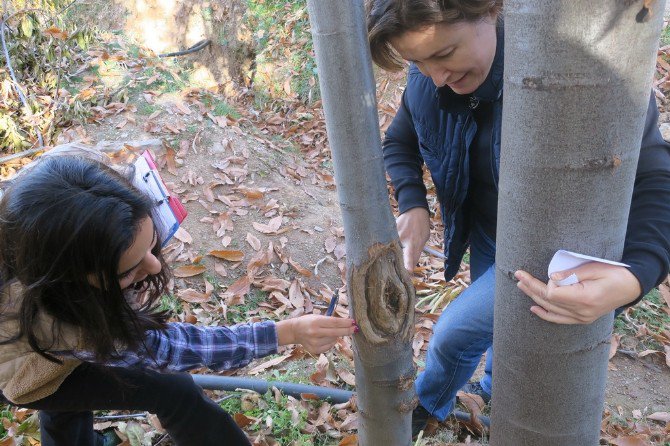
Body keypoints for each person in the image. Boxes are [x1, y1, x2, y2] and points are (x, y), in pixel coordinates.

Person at [365, 0, 670, 437]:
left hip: (550, 259)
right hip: (487, 235)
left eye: (445, 54)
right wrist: (414, 205)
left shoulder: (580, 74)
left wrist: (640, 273)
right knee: (499, 334)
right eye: (418, 61)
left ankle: (426, 406)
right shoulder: (428, 82)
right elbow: (399, 141)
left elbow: (655, 174)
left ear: (490, 10)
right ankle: (494, 390)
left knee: (453, 335)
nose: (436, 78)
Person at [0, 153, 357, 446]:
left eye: (150, 242)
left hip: (42, 350)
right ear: (72, 282)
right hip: (21, 370)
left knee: (71, 394)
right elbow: (175, 349)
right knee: (171, 389)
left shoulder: (51, 193)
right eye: (127, 270)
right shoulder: (61, 326)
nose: (154, 264)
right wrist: (286, 332)